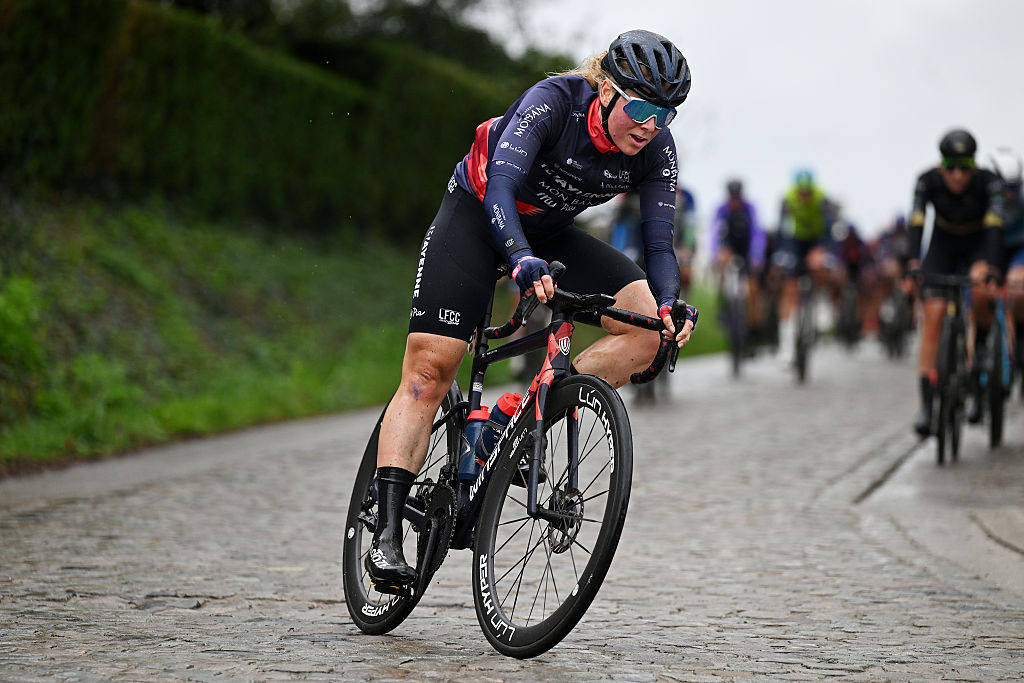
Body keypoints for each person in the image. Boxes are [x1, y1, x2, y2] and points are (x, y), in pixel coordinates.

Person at [366, 29, 699, 586]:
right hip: (477, 215)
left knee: (646, 333)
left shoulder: (655, 148)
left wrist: (669, 306)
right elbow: (500, 187)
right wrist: (519, 259)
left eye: (666, 114)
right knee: (429, 372)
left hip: (549, 231)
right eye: (640, 107)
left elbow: (659, 246)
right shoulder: (555, 102)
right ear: (606, 90)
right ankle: (387, 533)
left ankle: (520, 419)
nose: (649, 125)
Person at [908, 128, 1004, 436]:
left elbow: (994, 229)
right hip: (942, 246)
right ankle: (926, 405)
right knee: (934, 317)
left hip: (977, 245)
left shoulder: (989, 183)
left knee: (978, 289)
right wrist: (912, 262)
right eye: (951, 167)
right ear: (941, 166)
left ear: (974, 166)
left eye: (965, 167)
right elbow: (917, 222)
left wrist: (992, 268)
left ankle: (980, 360)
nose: (958, 175)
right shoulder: (926, 181)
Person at [709, 179, 766, 333]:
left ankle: (753, 321)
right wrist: (715, 253)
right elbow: (715, 232)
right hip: (730, 246)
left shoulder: (750, 208)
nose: (734, 201)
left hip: (747, 248)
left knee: (752, 287)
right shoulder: (722, 209)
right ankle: (723, 303)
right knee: (722, 262)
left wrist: (757, 256)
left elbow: (757, 233)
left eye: (737, 198)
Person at [989, 147, 1024, 371]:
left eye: (1015, 188)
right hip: (992, 248)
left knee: (1017, 287)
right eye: (1005, 188)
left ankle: (1019, 336)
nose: (1009, 194)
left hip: (1018, 249)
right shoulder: (982, 196)